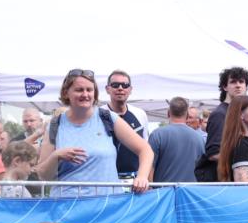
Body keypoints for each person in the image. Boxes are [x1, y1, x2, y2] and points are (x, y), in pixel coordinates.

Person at [38, 69, 153, 197]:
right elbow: (43, 175)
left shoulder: (108, 118)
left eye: (89, 90)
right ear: (66, 93)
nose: (85, 94)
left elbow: (146, 150)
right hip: (67, 208)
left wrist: (142, 177)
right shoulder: (55, 125)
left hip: (107, 207)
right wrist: (56, 156)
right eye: (79, 90)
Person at [196, 67, 248, 181]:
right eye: (233, 82)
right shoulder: (220, 114)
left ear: (246, 87)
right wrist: (245, 160)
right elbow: (213, 154)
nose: (238, 85)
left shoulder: (242, 114)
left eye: (241, 82)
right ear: (225, 87)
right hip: (223, 182)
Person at [103, 70, 149, 178]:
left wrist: (145, 178)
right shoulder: (98, 115)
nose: (120, 88)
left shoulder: (140, 114)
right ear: (107, 89)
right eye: (115, 85)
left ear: (130, 89)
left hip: (135, 181)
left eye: (125, 85)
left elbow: (146, 148)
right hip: (106, 181)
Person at [148, 96, 205, 183]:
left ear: (168, 113)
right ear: (187, 115)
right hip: (190, 192)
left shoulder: (157, 135)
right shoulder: (200, 139)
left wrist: (151, 191)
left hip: (164, 193)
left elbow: (149, 167)